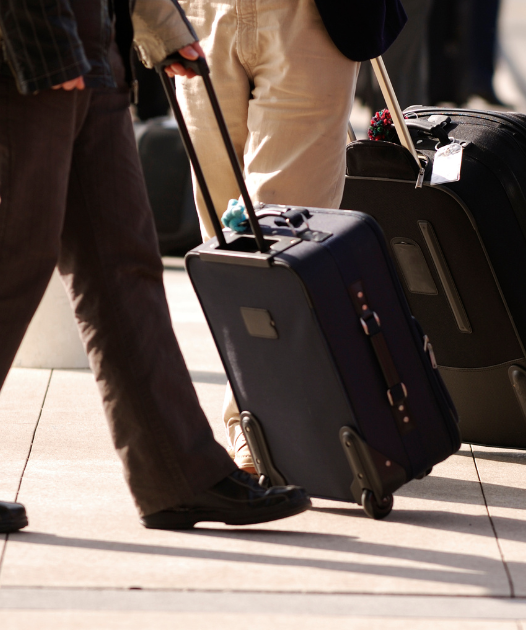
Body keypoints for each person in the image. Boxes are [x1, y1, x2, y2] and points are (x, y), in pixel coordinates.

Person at [0, 0, 311, 533]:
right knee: (10, 248)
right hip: (21, 31)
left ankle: (181, 476)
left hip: (94, 31)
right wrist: (45, 40)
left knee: (123, 261)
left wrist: (161, 27)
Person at [175, 0, 406, 474]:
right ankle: (269, 415)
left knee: (283, 235)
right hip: (198, 15)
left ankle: (257, 423)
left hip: (307, 19)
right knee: (224, 237)